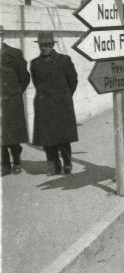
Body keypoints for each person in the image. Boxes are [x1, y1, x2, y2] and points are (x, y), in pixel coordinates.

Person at [30, 31, 78, 176]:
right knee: (47, 138)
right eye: (41, 45)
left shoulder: (64, 60)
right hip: (43, 105)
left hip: (61, 105)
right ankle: (53, 166)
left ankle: (67, 164)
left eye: (46, 45)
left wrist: (64, 96)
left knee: (63, 137)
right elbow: (36, 82)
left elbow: (73, 81)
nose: (44, 48)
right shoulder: (35, 63)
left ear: (52, 45)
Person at [1, 37, 30, 175]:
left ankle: (16, 160)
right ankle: (5, 165)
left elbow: (24, 77)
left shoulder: (14, 54)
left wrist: (16, 93)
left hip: (11, 100)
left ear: (1, 36)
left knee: (11, 133)